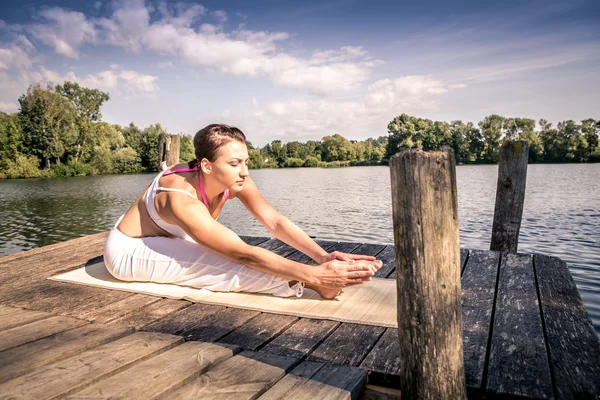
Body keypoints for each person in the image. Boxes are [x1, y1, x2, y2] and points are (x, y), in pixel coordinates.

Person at [104, 124, 382, 299]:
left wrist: (321, 256)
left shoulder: (235, 180)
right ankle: (315, 286)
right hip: (131, 249)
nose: (245, 171)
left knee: (240, 256)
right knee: (228, 266)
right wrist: (314, 275)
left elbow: (273, 221)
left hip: (172, 237)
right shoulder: (179, 199)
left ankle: (315, 278)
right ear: (206, 166)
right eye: (235, 163)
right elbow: (242, 253)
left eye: (246, 162)